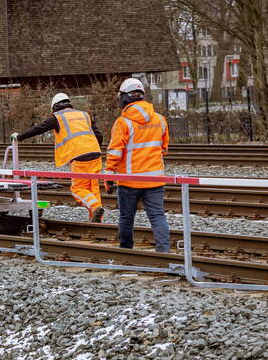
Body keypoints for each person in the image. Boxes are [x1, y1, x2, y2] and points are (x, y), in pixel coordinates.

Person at [10, 93, 106, 222]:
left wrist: (19, 136)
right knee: (93, 187)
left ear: (54, 107)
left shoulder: (57, 117)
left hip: (79, 156)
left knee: (78, 189)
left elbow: (38, 129)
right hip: (95, 154)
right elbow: (99, 135)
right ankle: (96, 219)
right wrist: (94, 149)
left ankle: (95, 208)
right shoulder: (84, 114)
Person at [102, 78, 171, 253]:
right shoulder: (160, 119)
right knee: (157, 216)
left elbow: (115, 152)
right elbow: (164, 148)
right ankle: (164, 252)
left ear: (124, 98)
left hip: (129, 181)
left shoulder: (123, 122)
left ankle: (126, 252)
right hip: (155, 179)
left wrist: (109, 174)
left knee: (126, 218)